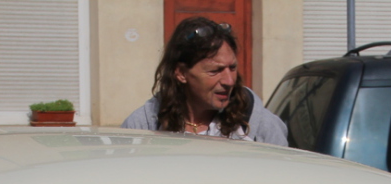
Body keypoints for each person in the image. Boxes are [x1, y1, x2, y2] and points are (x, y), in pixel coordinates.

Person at [121, 17, 287, 145]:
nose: (229, 81)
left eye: (232, 68)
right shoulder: (142, 127)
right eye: (215, 71)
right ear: (181, 73)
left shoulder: (260, 125)